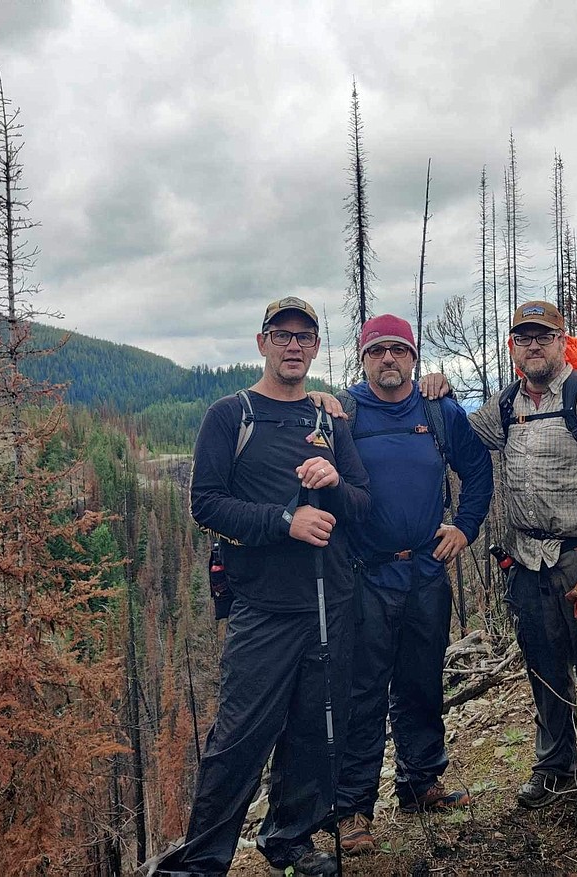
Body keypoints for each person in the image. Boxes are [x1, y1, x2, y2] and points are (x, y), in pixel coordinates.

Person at [153, 296, 371, 877]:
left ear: (317, 348)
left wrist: (333, 485)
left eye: (305, 336)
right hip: (263, 607)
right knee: (240, 736)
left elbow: (362, 504)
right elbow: (206, 504)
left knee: (312, 726)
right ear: (262, 343)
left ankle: (289, 840)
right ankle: (199, 863)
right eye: (282, 335)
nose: (293, 345)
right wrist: (285, 521)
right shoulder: (232, 415)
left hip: (331, 601)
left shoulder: (330, 421)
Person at [325, 314, 494, 855]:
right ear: (363, 358)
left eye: (398, 350)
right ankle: (353, 808)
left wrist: (465, 528)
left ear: (413, 358)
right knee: (363, 691)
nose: (389, 360)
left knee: (421, 680)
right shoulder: (344, 413)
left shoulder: (439, 411)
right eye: (378, 352)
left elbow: (478, 470)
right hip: (366, 575)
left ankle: (420, 781)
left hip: (425, 570)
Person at [466, 301, 577, 824]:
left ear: (563, 341)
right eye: (523, 337)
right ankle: (554, 763)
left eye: (543, 336)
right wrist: (433, 392)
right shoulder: (504, 406)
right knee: (543, 667)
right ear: (513, 347)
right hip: (525, 560)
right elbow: (458, 437)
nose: (533, 344)